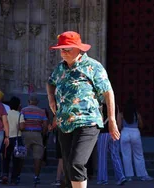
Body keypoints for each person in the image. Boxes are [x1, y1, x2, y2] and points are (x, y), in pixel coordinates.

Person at [47, 31, 120, 188]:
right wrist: (51, 99)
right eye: (61, 49)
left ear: (79, 49)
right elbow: (50, 82)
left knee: (76, 163)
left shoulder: (93, 66)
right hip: (64, 123)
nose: (63, 53)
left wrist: (112, 120)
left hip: (87, 121)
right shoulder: (59, 68)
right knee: (67, 169)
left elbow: (108, 92)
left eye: (67, 49)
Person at [117, 98, 153, 181]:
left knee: (126, 155)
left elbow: (119, 126)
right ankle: (143, 175)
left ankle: (128, 176)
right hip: (135, 132)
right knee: (138, 155)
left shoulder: (122, 114)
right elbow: (141, 125)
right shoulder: (137, 114)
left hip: (125, 132)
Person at [20, 93, 48, 184]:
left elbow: (21, 123)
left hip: (25, 134)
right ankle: (36, 176)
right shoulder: (41, 111)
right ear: (37, 102)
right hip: (37, 134)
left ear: (29, 101)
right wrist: (43, 135)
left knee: (22, 155)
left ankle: (18, 175)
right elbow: (45, 124)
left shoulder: (23, 110)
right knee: (37, 157)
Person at [97, 103, 126, 185]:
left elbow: (100, 120)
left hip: (104, 133)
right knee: (115, 155)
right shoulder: (115, 105)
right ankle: (121, 176)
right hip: (114, 132)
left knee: (102, 156)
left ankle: (103, 179)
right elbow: (119, 120)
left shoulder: (100, 106)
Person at [2, 96, 25, 185]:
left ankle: (5, 175)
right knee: (16, 160)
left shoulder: (6, 114)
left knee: (6, 158)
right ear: (19, 105)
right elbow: (22, 127)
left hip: (6, 138)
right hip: (17, 138)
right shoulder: (20, 115)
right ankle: (14, 178)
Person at [49, 116, 64, 186]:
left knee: (61, 158)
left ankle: (60, 179)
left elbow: (54, 124)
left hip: (62, 134)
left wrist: (51, 127)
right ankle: (59, 178)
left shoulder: (60, 112)